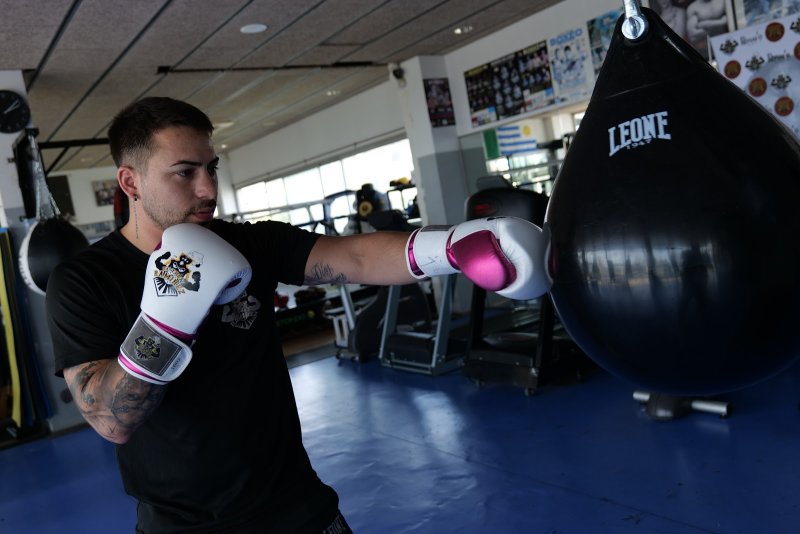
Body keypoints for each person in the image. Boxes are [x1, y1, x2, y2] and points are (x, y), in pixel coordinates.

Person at [45, 97, 549, 533]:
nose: (207, 189)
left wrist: (456, 247)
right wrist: (164, 323)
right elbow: (110, 421)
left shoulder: (247, 242)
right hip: (185, 525)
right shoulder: (85, 281)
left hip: (297, 506)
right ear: (130, 182)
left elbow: (354, 257)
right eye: (185, 172)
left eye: (211, 168)